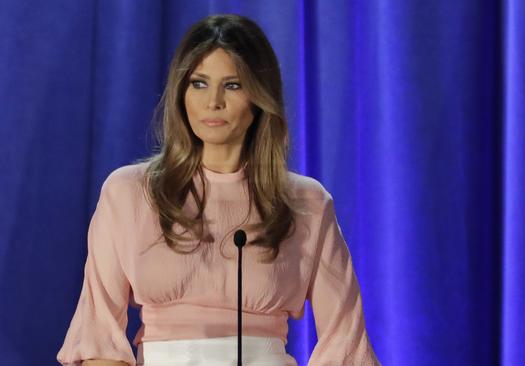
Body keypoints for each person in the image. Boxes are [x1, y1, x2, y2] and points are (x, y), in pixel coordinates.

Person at [56, 14, 380, 366]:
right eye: (198, 83)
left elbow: (346, 345)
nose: (213, 102)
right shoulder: (128, 193)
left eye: (233, 85)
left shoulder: (307, 204)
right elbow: (98, 336)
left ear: (259, 98)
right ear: (180, 93)